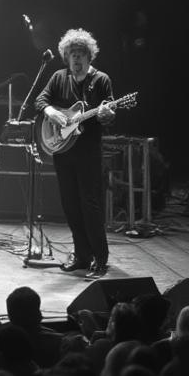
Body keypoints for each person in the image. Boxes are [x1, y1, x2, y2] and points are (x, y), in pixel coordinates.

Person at [35, 27, 115, 279]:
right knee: (70, 205)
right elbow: (40, 101)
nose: (77, 58)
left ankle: (100, 258)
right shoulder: (59, 77)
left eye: (81, 53)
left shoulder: (101, 80)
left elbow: (109, 113)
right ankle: (82, 255)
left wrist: (107, 115)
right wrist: (51, 112)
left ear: (89, 56)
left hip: (88, 153)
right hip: (63, 151)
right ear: (66, 57)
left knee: (90, 205)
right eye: (72, 54)